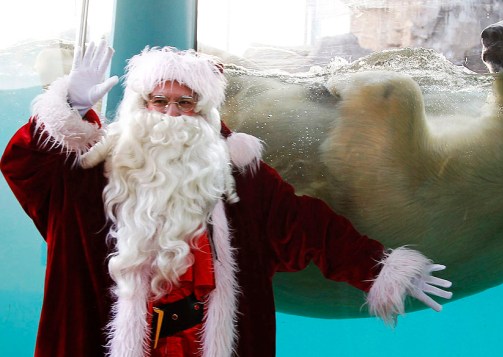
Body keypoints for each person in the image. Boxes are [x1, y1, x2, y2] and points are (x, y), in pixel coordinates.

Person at [1, 40, 452, 357]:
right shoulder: (89, 172)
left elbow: (309, 227)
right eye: (160, 101)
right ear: (140, 106)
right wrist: (73, 106)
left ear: (206, 111)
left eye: (186, 103)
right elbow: (25, 166)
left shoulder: (241, 178)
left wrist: (382, 268)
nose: (172, 114)